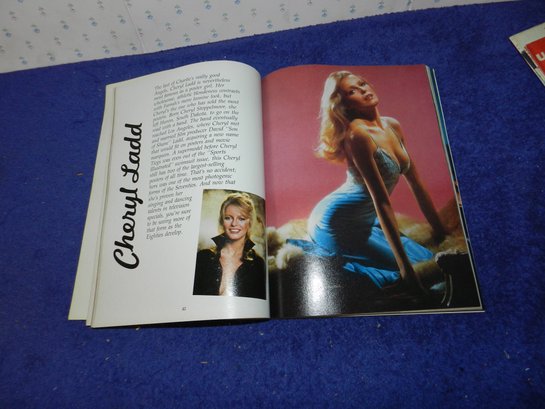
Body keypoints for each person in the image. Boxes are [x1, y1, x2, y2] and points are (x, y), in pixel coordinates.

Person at [307, 71, 447, 294]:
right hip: (335, 223)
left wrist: (441, 231)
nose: (363, 90)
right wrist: (406, 270)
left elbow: (416, 183)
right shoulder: (358, 136)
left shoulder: (393, 125)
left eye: (362, 84)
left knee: (429, 258)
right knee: (409, 268)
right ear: (344, 104)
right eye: (352, 91)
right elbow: (381, 202)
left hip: (364, 221)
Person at [193, 192, 266, 299]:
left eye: (241, 219)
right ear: (222, 221)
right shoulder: (203, 257)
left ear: (249, 223)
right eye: (228, 218)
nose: (234, 224)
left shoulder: (258, 265)